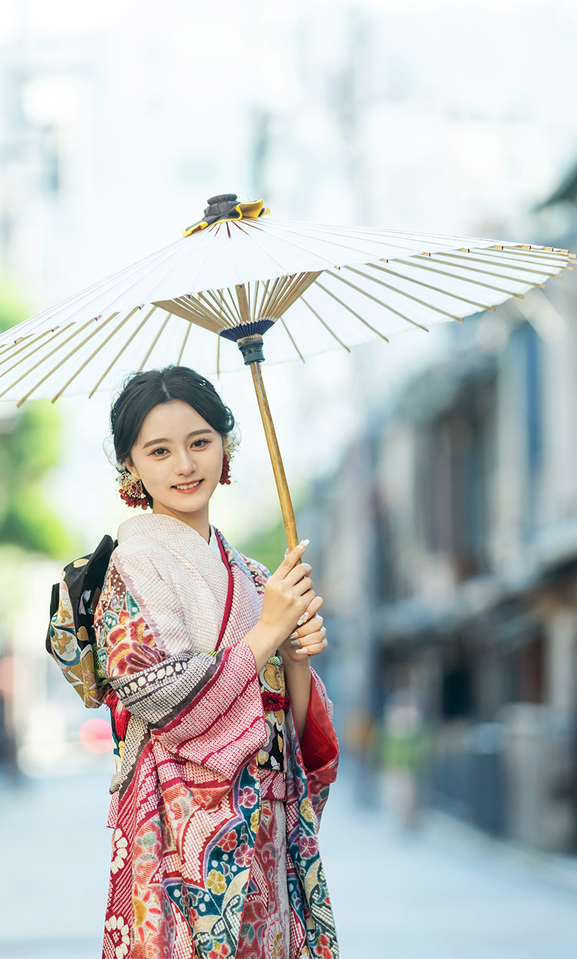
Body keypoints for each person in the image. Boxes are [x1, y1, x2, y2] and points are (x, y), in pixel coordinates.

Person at [95, 367, 339, 959]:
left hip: (268, 819)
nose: (185, 465)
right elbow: (163, 702)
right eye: (160, 450)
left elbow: (289, 726)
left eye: (200, 442)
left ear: (224, 449)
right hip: (178, 822)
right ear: (132, 466)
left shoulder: (256, 577)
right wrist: (266, 633)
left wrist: (295, 654)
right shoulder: (127, 569)